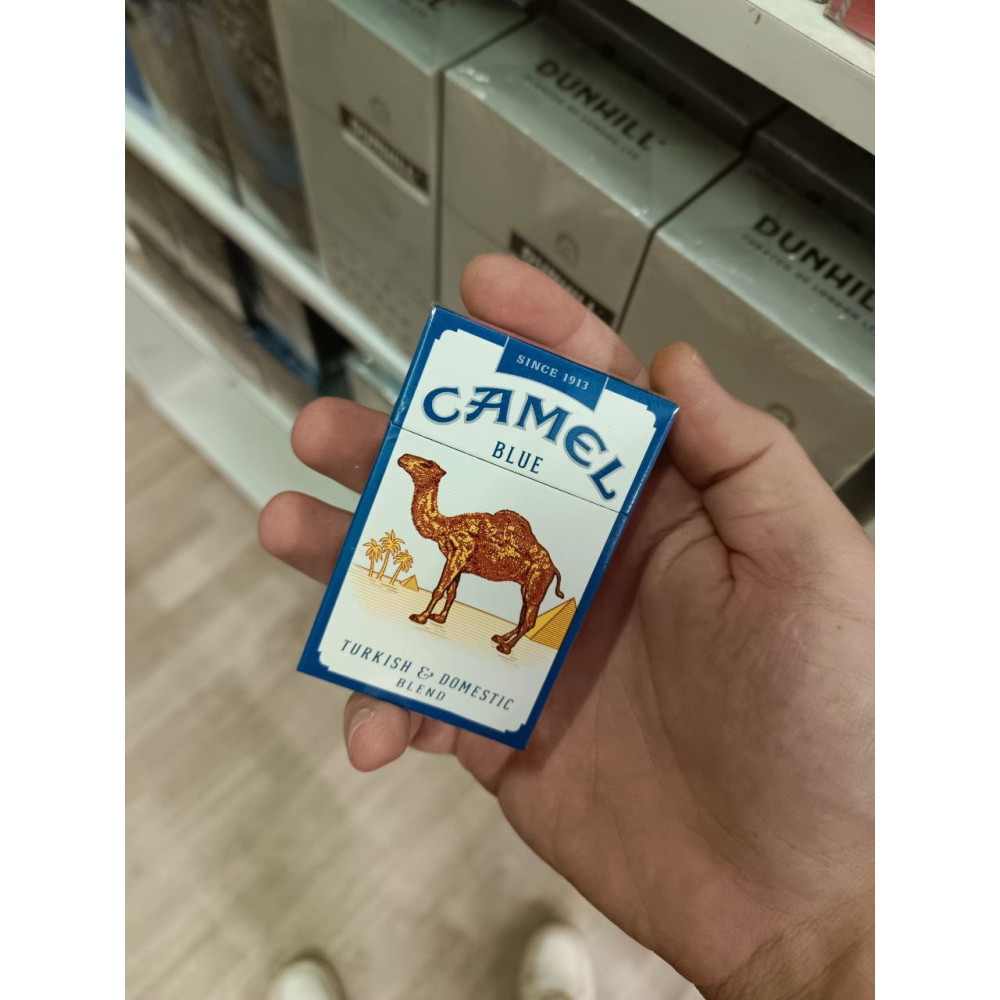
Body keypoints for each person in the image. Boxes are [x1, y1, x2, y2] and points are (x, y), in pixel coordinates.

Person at [259, 255, 876, 999]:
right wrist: (839, 933)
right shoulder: (454, 521)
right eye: (420, 476)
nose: (420, 476)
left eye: (424, 476)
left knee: (492, 578)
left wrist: (843, 926)